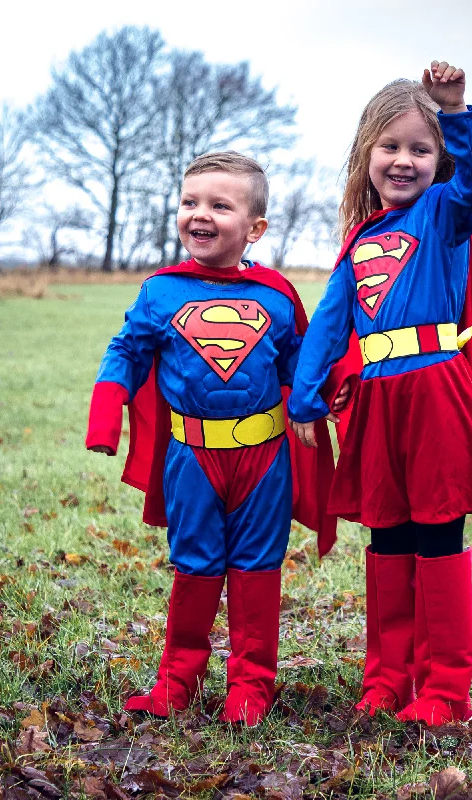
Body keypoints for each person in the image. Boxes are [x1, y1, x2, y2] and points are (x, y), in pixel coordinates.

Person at [287, 61, 472, 725]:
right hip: (377, 405)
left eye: (421, 148)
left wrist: (457, 116)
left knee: (438, 534)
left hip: (436, 396)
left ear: (436, 158)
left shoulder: (445, 212)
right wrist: (306, 400)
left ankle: (444, 691)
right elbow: (332, 323)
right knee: (387, 539)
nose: (403, 160)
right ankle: (387, 679)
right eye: (390, 147)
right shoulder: (359, 240)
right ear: (366, 156)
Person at [86, 151, 343, 726]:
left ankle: (252, 686)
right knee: (196, 565)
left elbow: (303, 364)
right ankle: (177, 680)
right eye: (189, 202)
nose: (199, 215)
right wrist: (106, 413)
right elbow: (126, 350)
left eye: (219, 206)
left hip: (264, 458)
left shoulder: (277, 295)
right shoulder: (160, 293)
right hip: (190, 458)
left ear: (254, 228)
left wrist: (324, 396)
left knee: (257, 568)